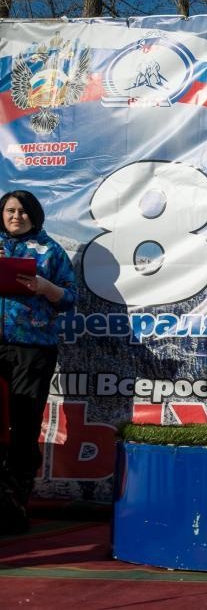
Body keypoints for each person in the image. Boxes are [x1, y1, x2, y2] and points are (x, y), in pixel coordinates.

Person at [0, 190, 76, 534]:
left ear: (34, 215)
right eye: (9, 210)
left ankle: (15, 502)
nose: (16, 216)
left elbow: (70, 298)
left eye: (23, 211)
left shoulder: (50, 250)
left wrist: (45, 286)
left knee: (24, 422)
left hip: (33, 348)